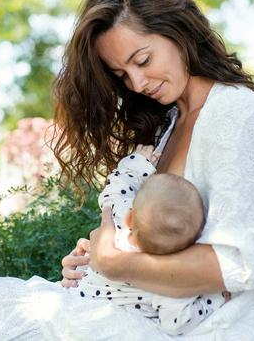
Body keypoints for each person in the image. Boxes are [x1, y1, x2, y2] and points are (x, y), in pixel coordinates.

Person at [0, 0, 254, 340]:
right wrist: (95, 264)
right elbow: (149, 235)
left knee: (14, 314)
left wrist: (115, 264)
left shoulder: (236, 113)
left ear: (178, 32)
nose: (136, 84)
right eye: (121, 74)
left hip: (208, 328)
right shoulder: (169, 123)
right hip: (152, 312)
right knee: (1, 305)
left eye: (143, 60)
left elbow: (244, 261)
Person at [73, 143, 226, 336]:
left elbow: (114, 192)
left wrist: (138, 163)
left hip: (80, 299)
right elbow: (178, 323)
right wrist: (215, 299)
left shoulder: (120, 218)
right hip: (114, 327)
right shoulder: (165, 280)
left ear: (130, 217)